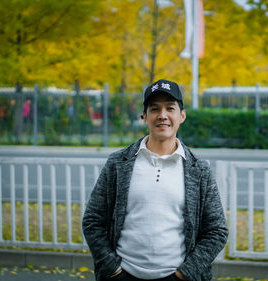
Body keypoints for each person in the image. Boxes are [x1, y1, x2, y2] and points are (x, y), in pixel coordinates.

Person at [82, 79, 228, 281]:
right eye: (154, 109)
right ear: (144, 116)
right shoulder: (119, 163)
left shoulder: (199, 169)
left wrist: (184, 274)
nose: (162, 116)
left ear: (182, 115)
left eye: (170, 108)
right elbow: (93, 220)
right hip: (123, 275)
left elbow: (217, 230)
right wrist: (112, 269)